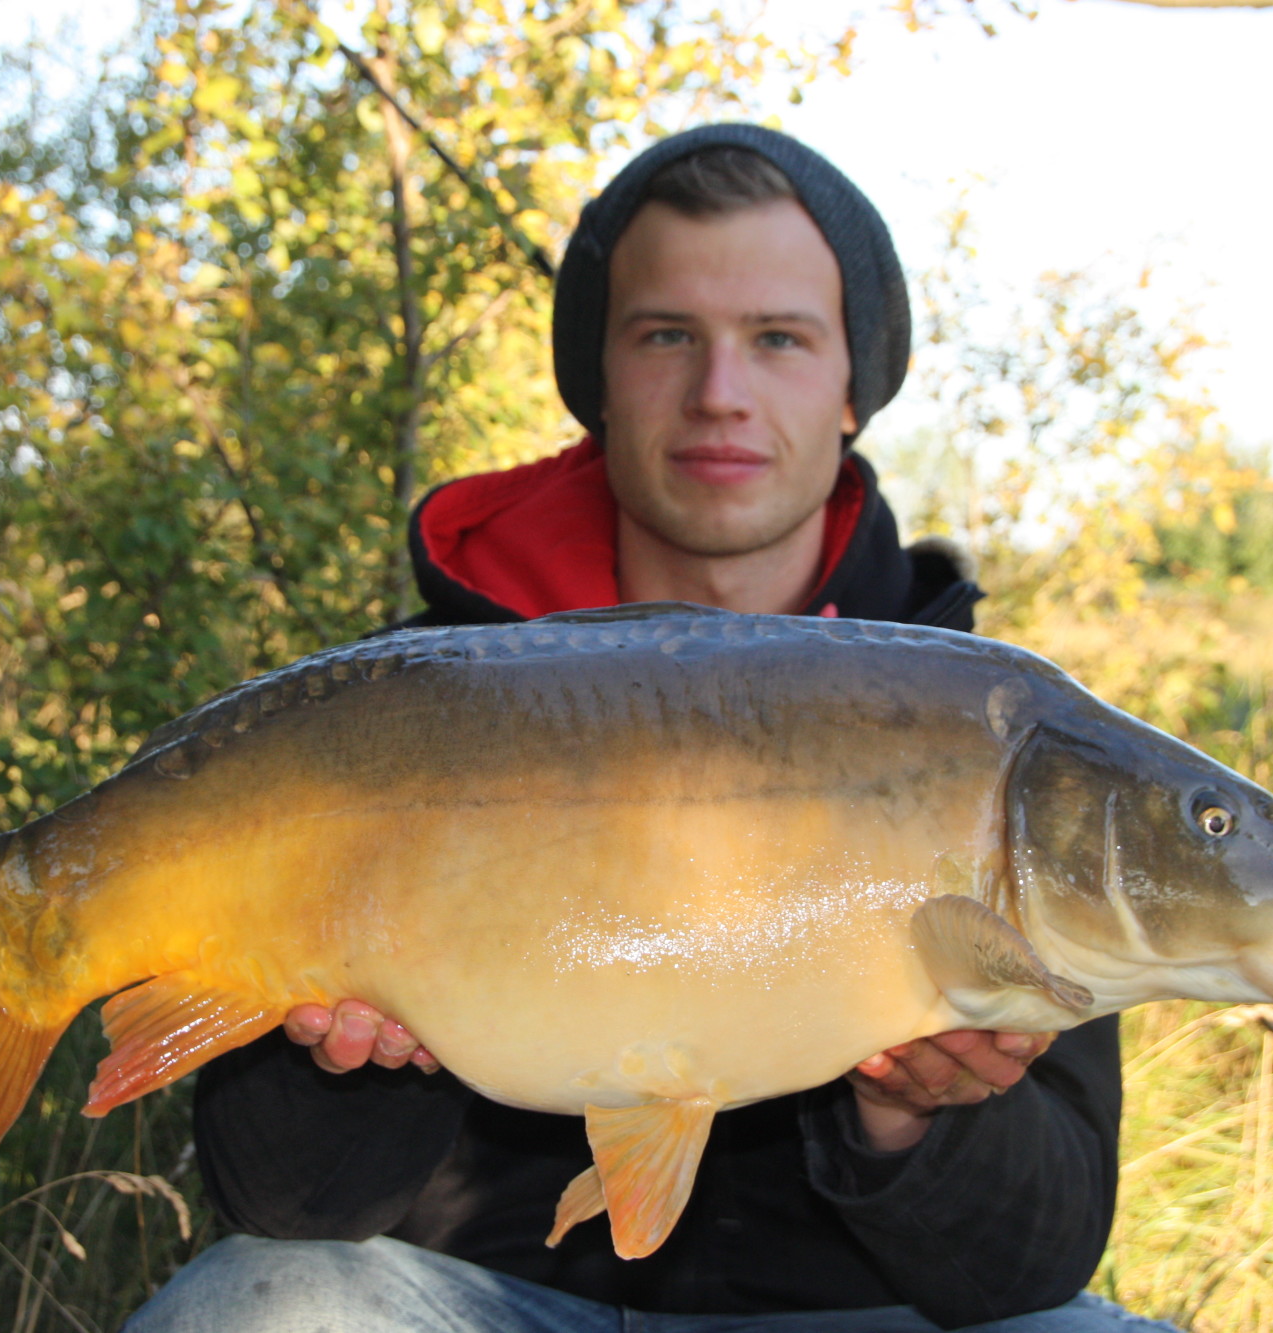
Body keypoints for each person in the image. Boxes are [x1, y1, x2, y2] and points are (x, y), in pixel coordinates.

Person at [124, 125, 1176, 1333]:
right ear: (600, 381)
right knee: (263, 1305)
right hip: (480, 1297)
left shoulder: (992, 730)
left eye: (777, 339)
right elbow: (279, 1198)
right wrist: (355, 1058)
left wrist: (909, 1116)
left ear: (850, 388)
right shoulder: (402, 708)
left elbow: (1028, 1270)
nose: (718, 391)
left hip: (845, 1315)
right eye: (665, 334)